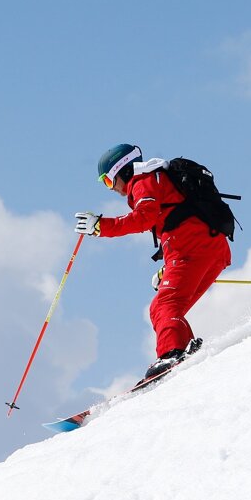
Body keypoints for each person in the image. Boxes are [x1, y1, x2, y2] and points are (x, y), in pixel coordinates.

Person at [74, 144, 231, 379]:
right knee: (163, 307)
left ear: (122, 171)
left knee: (166, 303)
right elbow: (176, 220)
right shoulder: (157, 179)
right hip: (208, 248)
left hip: (193, 248)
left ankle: (172, 354)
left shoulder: (143, 180)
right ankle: (186, 351)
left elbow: (144, 218)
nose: (111, 189)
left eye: (108, 181)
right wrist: (168, 268)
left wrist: (100, 226)